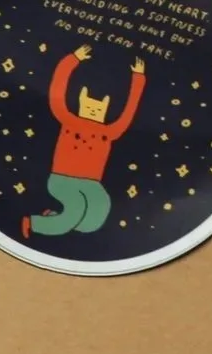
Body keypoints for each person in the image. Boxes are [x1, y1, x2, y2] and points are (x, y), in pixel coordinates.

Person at [25, 44, 146, 239]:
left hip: (92, 182)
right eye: (89, 106)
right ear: (81, 101)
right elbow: (57, 92)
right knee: (76, 208)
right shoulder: (69, 120)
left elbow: (128, 112)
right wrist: (72, 59)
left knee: (97, 214)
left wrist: (138, 78)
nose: (93, 110)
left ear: (105, 109)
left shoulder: (110, 131)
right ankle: (34, 223)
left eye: (98, 109)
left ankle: (56, 220)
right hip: (63, 179)